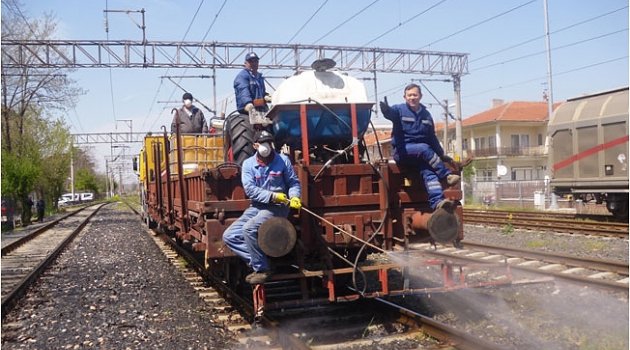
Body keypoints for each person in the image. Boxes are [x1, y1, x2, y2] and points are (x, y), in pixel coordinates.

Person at [222, 130, 301, 284]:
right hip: (257, 206)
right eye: (262, 143)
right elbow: (250, 190)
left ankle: (262, 269)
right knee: (229, 236)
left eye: (268, 142)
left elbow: (293, 182)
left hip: (277, 207)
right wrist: (271, 196)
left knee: (248, 229)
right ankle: (261, 263)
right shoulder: (248, 164)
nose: (266, 146)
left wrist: (295, 196)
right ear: (255, 145)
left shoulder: (282, 160)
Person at [380, 83, 460, 210]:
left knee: (429, 172)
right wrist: (386, 110)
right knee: (423, 148)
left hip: (421, 156)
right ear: (404, 97)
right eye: (409, 95)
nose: (412, 97)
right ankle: (446, 175)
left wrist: (441, 154)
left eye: (415, 95)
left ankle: (437, 202)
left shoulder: (426, 115)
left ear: (420, 96)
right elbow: (390, 113)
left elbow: (432, 137)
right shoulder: (399, 110)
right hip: (403, 152)